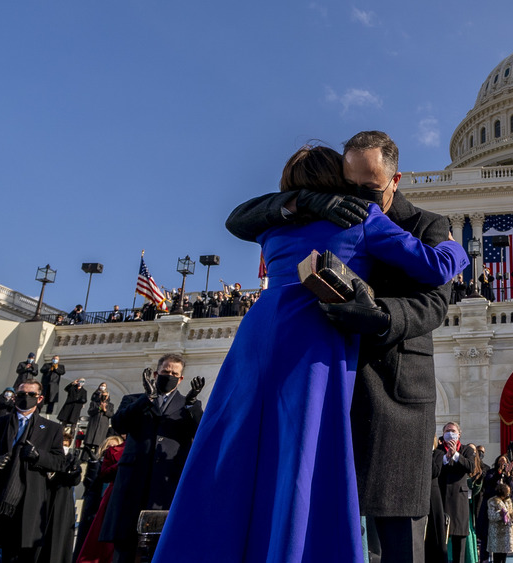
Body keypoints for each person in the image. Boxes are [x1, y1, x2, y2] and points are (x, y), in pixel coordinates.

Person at [157, 140, 468, 563]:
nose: (358, 193)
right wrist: (456, 247)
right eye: (349, 182)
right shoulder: (363, 220)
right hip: (316, 346)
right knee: (300, 465)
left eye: (367, 185)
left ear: (394, 179)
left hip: (274, 340)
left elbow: (433, 303)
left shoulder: (274, 227)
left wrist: (377, 315)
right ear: (336, 180)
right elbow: (437, 265)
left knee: (241, 458)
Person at [101, 356, 205, 563]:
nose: (170, 376)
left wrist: (192, 403)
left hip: (166, 483)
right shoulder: (133, 399)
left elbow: (201, 431)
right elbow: (119, 425)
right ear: (156, 373)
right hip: (132, 482)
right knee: (124, 545)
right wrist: (147, 398)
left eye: (175, 374)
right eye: (166, 372)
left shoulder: (188, 405)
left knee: (161, 544)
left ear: (182, 378)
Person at [0, 378, 66, 562]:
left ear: (40, 399)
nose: (26, 398)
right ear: (14, 397)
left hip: (27, 502)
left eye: (32, 395)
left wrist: (38, 456)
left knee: (15, 555)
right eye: (22, 394)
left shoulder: (51, 429)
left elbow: (60, 462)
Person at [435, 422, 476, 563]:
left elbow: (471, 467)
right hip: (442, 498)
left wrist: (456, 455)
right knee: (441, 542)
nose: (449, 433)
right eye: (447, 431)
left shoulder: (466, 451)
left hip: (459, 500)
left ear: (459, 434)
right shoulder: (438, 451)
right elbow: (435, 470)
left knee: (459, 541)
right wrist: (446, 458)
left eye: (452, 431)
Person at [486, 483, 513, 563]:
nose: (509, 493)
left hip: (506, 533)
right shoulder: (492, 501)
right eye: (507, 491)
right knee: (497, 556)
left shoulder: (508, 501)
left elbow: (509, 514)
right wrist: (500, 514)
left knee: (504, 556)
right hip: (497, 533)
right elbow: (491, 516)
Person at [83, 383, 114, 460]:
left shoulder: (110, 405)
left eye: (106, 395)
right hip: (93, 425)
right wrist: (99, 408)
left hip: (102, 427)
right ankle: (83, 459)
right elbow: (90, 412)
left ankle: (96, 460)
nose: (104, 397)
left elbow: (111, 414)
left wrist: (105, 410)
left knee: (99, 445)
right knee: (88, 445)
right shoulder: (94, 403)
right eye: (103, 395)